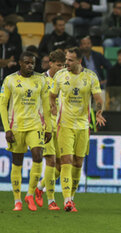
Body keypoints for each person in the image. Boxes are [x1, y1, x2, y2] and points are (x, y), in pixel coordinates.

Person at [50, 47, 106, 212]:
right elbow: (52, 95)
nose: (66, 63)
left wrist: (100, 111)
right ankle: (67, 200)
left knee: (78, 163)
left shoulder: (90, 77)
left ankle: (71, 197)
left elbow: (98, 98)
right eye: (66, 59)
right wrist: (53, 106)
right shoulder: (60, 75)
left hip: (83, 126)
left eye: (70, 60)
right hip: (65, 125)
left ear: (79, 61)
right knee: (66, 162)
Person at [0, 51, 52, 211]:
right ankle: (17, 200)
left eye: (33, 63)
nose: (30, 65)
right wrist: (6, 129)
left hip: (35, 125)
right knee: (17, 162)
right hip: (16, 127)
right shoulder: (10, 80)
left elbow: (46, 105)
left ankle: (30, 194)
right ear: (20, 63)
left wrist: (48, 127)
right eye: (27, 62)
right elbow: (2, 105)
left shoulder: (41, 80)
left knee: (38, 155)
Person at [34, 50, 66, 211]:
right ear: (51, 63)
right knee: (51, 162)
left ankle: (39, 187)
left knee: (61, 165)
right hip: (45, 127)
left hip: (61, 126)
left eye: (64, 65)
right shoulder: (40, 80)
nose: (61, 68)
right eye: (59, 65)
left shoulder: (65, 80)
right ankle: (51, 200)